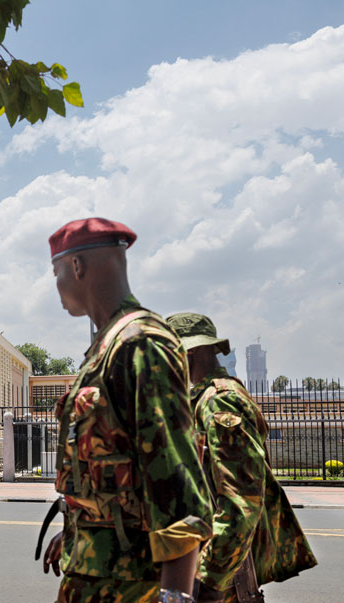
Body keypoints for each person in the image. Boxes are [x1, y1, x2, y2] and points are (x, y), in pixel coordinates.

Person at [38, 218, 213, 603]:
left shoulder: (140, 343)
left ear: (78, 267)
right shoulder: (106, 347)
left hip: (133, 586)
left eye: (57, 272)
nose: (57, 286)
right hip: (96, 577)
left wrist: (175, 598)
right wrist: (74, 533)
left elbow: (178, 486)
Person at [165, 313, 317, 602]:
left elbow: (241, 502)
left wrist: (208, 585)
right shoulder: (203, 399)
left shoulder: (220, 400)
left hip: (219, 580)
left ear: (189, 352)